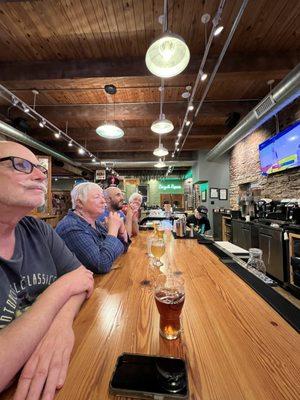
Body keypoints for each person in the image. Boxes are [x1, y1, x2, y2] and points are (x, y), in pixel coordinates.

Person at [0, 142, 94, 398]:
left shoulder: (35, 228)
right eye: (22, 165)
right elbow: (78, 278)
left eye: (40, 168)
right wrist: (59, 290)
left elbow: (84, 279)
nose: (42, 175)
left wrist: (60, 326)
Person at [56, 182, 127, 274]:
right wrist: (113, 230)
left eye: (103, 197)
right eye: (97, 197)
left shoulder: (96, 223)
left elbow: (122, 249)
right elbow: (101, 265)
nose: (103, 201)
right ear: (79, 203)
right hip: (81, 286)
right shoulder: (71, 227)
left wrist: (121, 232)